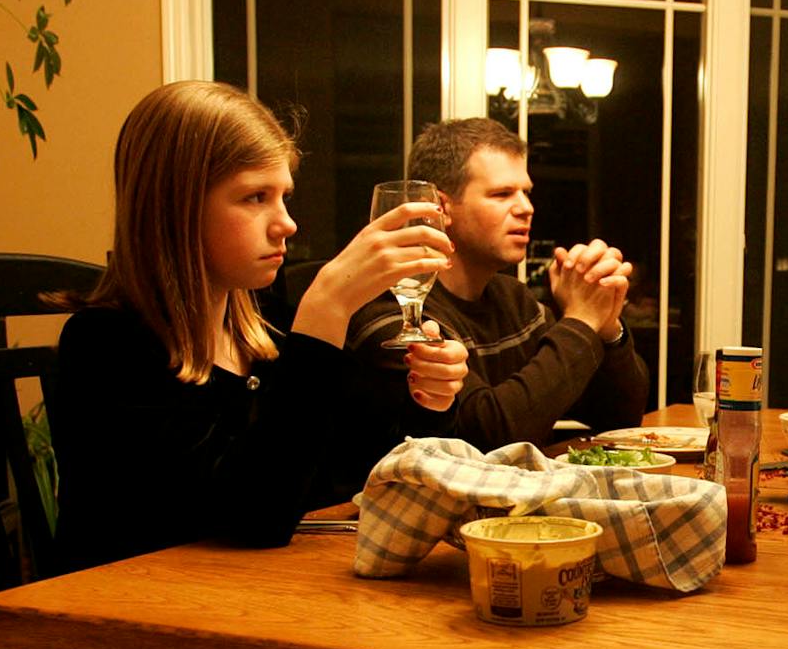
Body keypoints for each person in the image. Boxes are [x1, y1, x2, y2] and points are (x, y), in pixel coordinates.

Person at [48, 80, 469, 572]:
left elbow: (360, 475)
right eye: (255, 198)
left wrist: (430, 403)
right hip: (128, 625)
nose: (286, 222)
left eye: (284, 196)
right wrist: (326, 311)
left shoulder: (264, 338)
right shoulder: (106, 346)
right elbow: (254, 519)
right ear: (177, 207)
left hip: (250, 605)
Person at [345, 117, 649, 449]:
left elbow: (621, 417)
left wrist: (606, 326)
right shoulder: (397, 308)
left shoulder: (516, 302)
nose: (526, 208)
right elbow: (488, 437)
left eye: (526, 193)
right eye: (502, 194)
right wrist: (580, 321)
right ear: (440, 209)